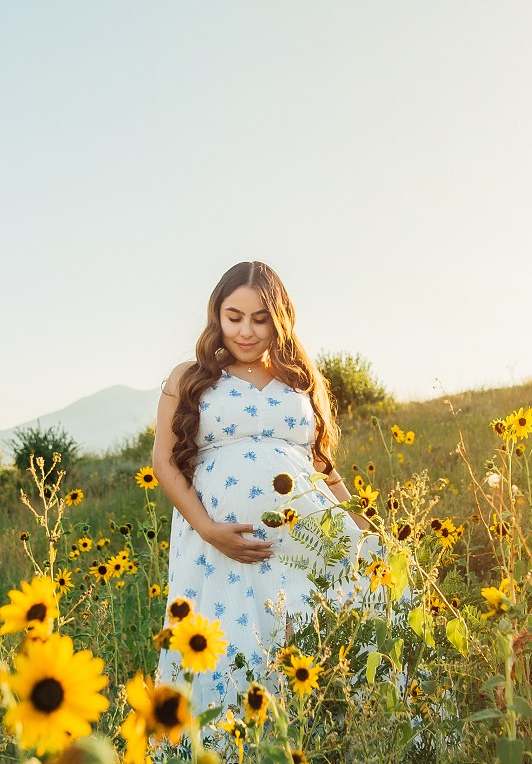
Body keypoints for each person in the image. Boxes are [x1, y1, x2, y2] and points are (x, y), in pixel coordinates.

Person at [150, 260, 387, 714]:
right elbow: (163, 462)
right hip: (219, 544)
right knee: (229, 650)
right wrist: (207, 529)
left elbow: (321, 465)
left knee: (320, 645)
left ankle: (333, 745)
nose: (246, 331)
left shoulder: (300, 380)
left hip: (305, 539)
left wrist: (366, 526)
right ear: (216, 315)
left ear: (281, 320)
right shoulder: (190, 377)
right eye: (234, 317)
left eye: (261, 319)